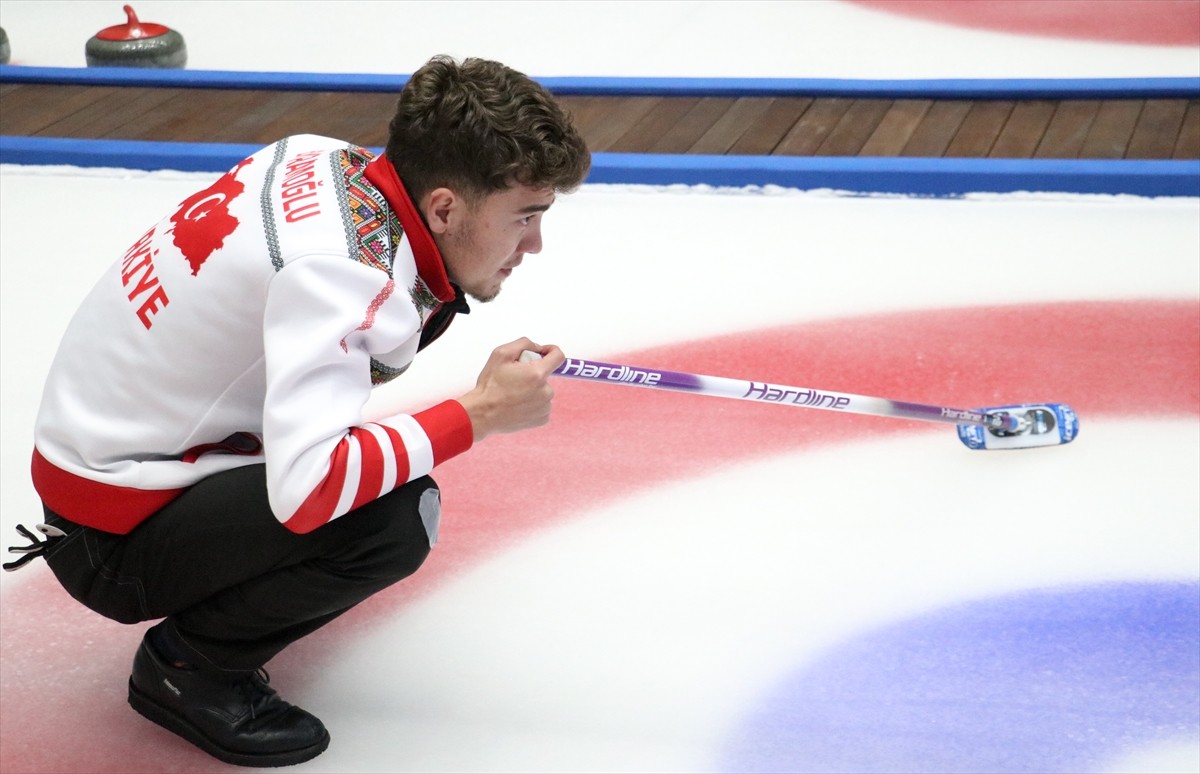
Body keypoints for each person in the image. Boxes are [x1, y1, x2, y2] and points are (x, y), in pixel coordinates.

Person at [9, 54, 590, 767]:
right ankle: (187, 669)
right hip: (107, 539)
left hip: (96, 465)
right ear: (442, 207)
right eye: (526, 216)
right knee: (395, 517)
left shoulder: (320, 157)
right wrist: (479, 413)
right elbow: (309, 490)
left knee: (360, 459)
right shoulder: (342, 274)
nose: (534, 244)